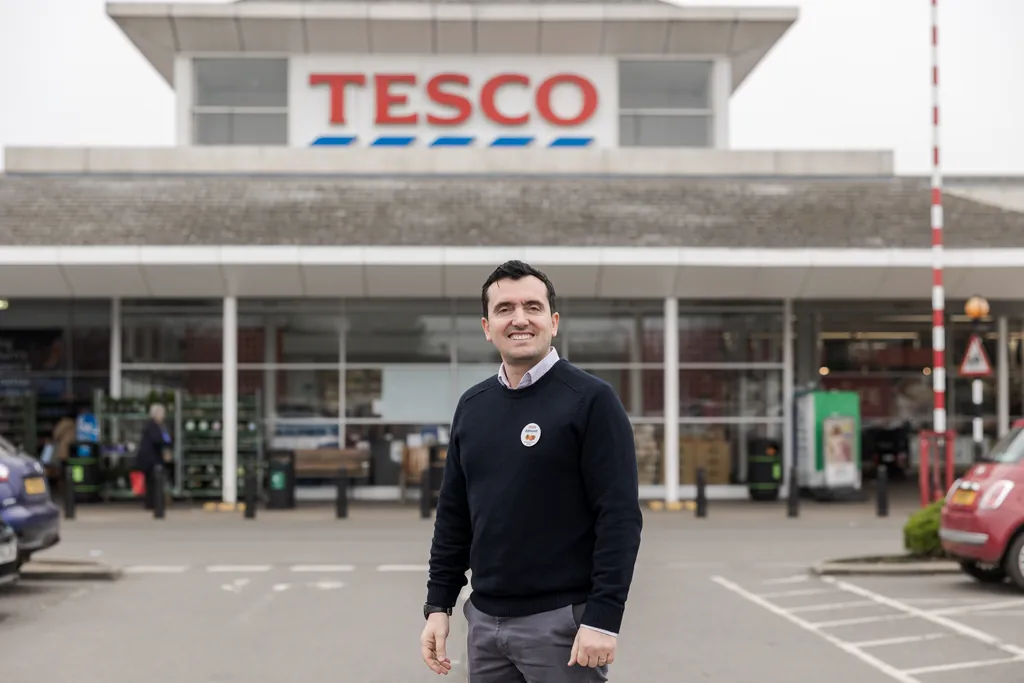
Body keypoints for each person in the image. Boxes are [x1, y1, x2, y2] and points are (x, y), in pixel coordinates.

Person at [420, 260, 643, 682]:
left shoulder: (591, 400)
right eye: (505, 309)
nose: (519, 319)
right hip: (484, 624)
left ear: (553, 321)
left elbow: (619, 517)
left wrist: (603, 618)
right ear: (487, 327)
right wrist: (438, 605)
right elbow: (454, 514)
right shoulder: (473, 406)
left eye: (532, 307)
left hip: (562, 625)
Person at [134, 402, 173, 509]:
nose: (164, 416)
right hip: (150, 459)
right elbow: (157, 440)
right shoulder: (152, 426)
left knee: (154, 482)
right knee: (151, 482)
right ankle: (151, 503)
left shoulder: (160, 426)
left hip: (155, 458)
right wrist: (166, 445)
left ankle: (154, 502)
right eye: (162, 413)